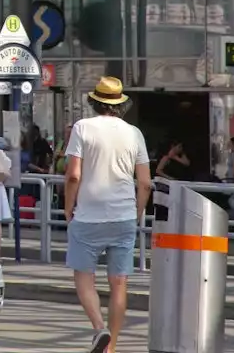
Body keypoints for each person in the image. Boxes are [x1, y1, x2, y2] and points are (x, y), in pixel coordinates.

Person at [64, 76, 152, 353]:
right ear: (120, 103)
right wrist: (137, 212)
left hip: (89, 215)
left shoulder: (82, 128)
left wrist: (68, 208)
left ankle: (98, 328)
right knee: (119, 283)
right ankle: (111, 346)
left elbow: (73, 175)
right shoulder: (134, 133)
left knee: (83, 276)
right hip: (124, 216)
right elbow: (146, 182)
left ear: (94, 101)